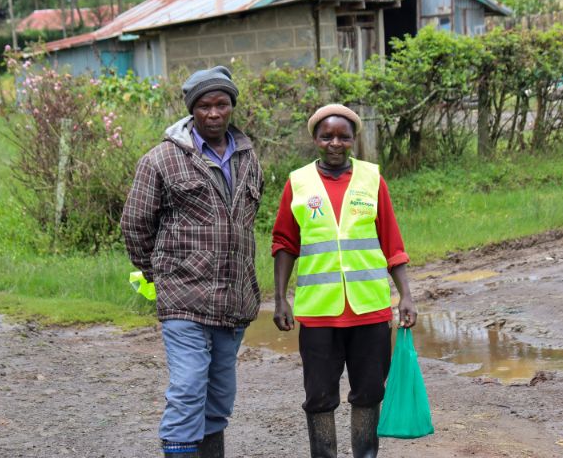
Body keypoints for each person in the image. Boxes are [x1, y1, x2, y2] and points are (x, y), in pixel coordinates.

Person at [121, 66, 263, 458]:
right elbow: (135, 224)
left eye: (221, 104)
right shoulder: (161, 160)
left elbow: (246, 222)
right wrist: (161, 275)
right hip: (182, 298)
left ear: (232, 107)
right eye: (204, 106)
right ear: (191, 110)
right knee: (187, 390)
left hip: (233, 299)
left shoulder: (248, 157)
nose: (214, 113)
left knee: (219, 396)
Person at [272, 104, 417, 458]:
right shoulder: (298, 183)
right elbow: (284, 244)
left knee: (369, 393)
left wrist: (406, 296)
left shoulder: (372, 179)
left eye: (343, 136)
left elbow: (391, 242)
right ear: (315, 139)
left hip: (369, 311)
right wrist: (279, 298)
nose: (335, 143)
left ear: (354, 140)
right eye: (327, 136)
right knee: (319, 397)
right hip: (320, 313)